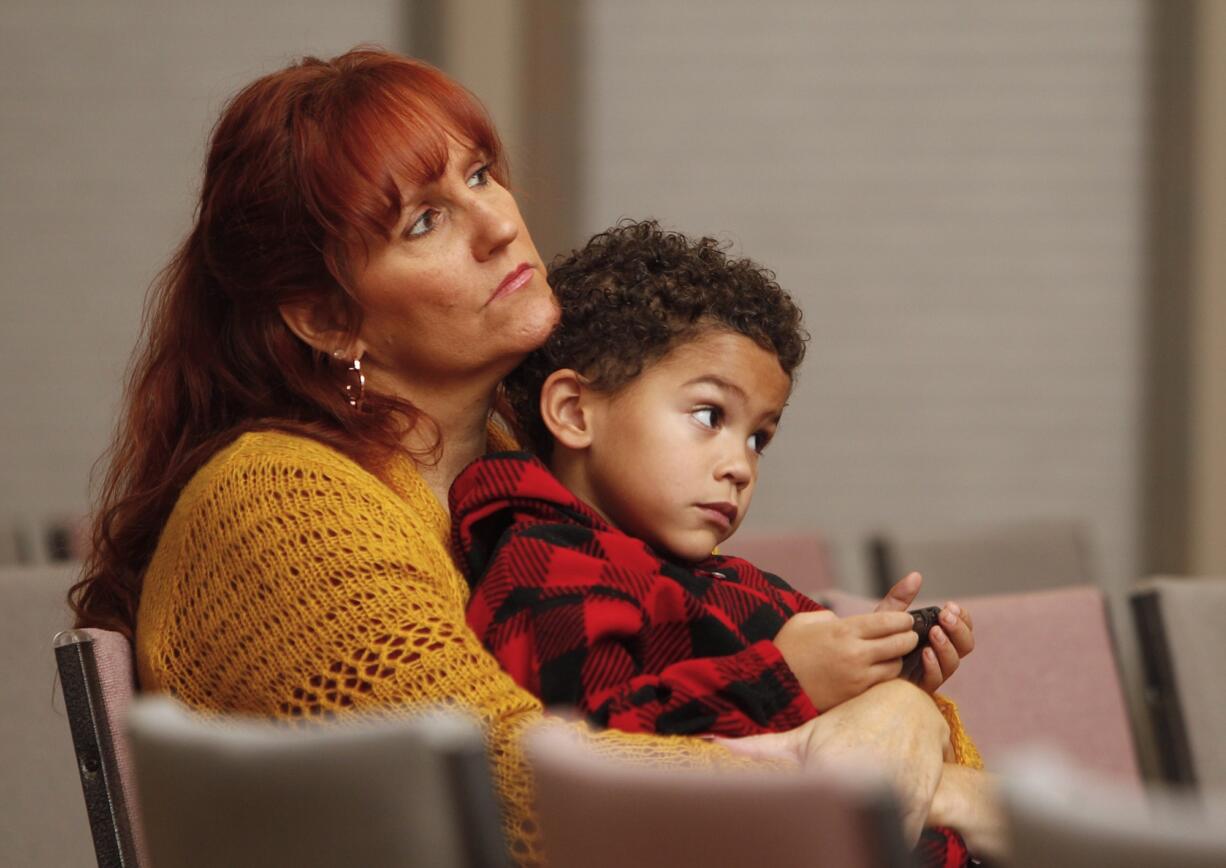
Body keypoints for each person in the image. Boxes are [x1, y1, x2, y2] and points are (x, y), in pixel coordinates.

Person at [67, 48, 1000, 865]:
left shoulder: (539, 464)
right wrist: (851, 757)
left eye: (479, 174)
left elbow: (717, 649)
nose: (499, 224)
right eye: (424, 221)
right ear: (327, 318)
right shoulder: (279, 502)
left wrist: (902, 713)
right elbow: (512, 796)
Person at [450, 220, 979, 863]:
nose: (741, 465)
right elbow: (589, 764)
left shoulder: (727, 578)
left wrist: (883, 670)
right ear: (575, 412)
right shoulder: (547, 567)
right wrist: (786, 679)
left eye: (760, 437)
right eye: (710, 417)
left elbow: (845, 740)